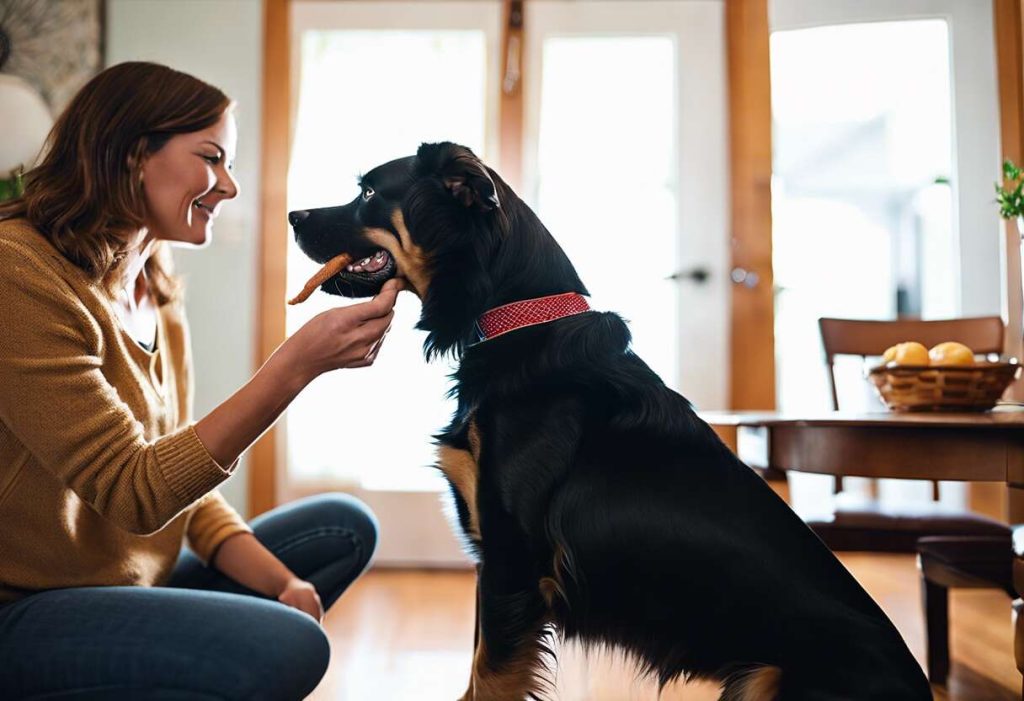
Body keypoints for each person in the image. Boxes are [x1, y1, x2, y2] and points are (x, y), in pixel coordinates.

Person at [0, 61, 402, 700]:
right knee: (289, 646)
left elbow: (179, 480)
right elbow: (135, 490)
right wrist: (294, 366)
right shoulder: (18, 274)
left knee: (344, 527)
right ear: (132, 154)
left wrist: (283, 584)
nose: (231, 186)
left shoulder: (153, 286)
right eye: (212, 158)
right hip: (28, 606)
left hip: (134, 578)